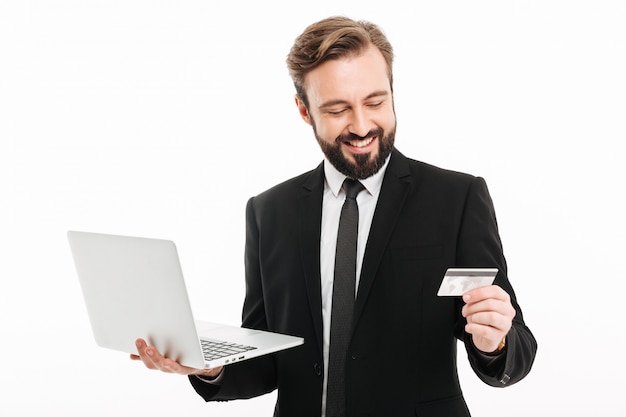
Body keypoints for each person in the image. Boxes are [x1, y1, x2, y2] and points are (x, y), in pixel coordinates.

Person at [132, 15, 537, 417]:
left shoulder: (456, 199)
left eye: (375, 102)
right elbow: (269, 363)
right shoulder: (268, 213)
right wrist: (213, 366)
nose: (361, 126)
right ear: (304, 110)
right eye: (338, 109)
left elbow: (515, 345)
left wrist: (495, 342)